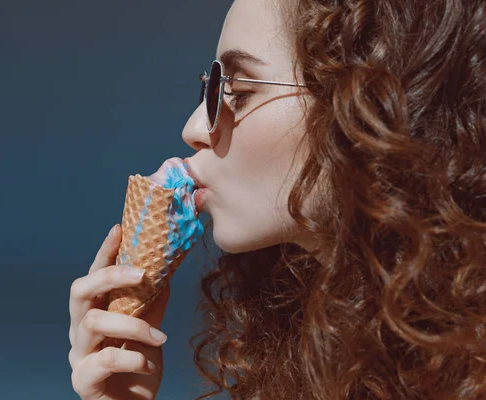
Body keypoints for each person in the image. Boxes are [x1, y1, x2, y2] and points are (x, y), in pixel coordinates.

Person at [68, 0, 486, 398]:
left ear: (369, 105)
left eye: (240, 89)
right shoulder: (332, 353)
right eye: (212, 87)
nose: (194, 127)